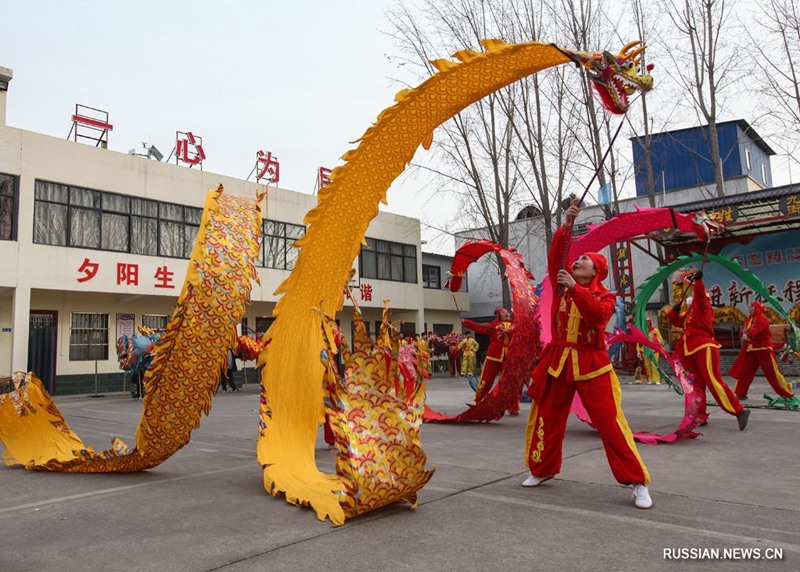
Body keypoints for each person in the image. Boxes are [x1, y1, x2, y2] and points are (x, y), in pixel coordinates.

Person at [523, 198, 653, 510]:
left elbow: (597, 317)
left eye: (584, 260)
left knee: (609, 423)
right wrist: (567, 225)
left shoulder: (604, 296)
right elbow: (557, 258)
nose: (577, 261)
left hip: (593, 366)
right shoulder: (563, 285)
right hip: (558, 363)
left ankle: (638, 482)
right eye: (577, 258)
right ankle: (542, 470)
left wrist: (575, 290)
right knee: (548, 417)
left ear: (596, 271)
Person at [668, 272, 749, 429]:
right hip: (691, 350)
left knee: (714, 382)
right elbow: (678, 322)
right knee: (696, 386)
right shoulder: (691, 314)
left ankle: (739, 410)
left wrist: (699, 281)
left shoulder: (703, 308)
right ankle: (700, 416)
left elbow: (699, 295)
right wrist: (675, 311)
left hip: (704, 348)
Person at [730, 302, 795, 400]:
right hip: (752, 349)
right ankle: (741, 393)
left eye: (751, 307)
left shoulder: (761, 318)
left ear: (756, 308)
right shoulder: (750, 319)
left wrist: (747, 334)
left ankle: (786, 393)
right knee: (746, 371)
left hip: (764, 349)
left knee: (772, 373)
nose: (749, 309)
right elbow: (744, 330)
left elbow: (756, 330)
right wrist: (743, 334)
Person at [462, 308, 514, 404]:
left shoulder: (515, 326)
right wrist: (466, 323)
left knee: (509, 382)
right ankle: (480, 400)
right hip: (493, 356)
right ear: (499, 315)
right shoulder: (493, 325)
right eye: (503, 312)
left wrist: (509, 332)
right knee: (486, 379)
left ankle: (512, 405)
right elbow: (480, 328)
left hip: (509, 357)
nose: (506, 314)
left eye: (507, 312)